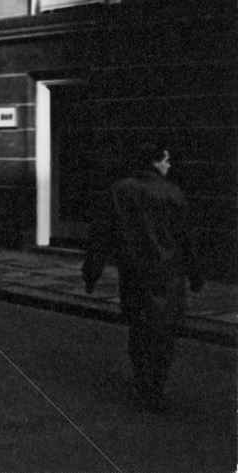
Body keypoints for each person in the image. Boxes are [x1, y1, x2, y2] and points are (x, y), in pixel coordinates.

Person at [81, 143, 204, 412]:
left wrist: (91, 273)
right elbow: (186, 240)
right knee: (164, 333)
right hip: (169, 276)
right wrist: (195, 274)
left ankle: (142, 380)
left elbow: (101, 235)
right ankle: (156, 387)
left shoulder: (120, 191)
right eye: (166, 160)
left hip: (135, 274)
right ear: (154, 162)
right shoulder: (173, 193)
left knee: (139, 328)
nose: (169, 166)